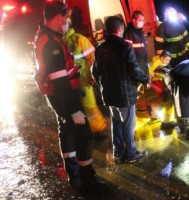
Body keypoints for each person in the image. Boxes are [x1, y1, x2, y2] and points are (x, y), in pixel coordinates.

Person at [34, 1, 108, 194]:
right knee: (83, 137)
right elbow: (60, 82)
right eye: (65, 17)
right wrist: (74, 109)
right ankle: (88, 182)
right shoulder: (51, 42)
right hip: (65, 98)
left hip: (61, 97)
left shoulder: (50, 37)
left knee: (67, 133)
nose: (67, 21)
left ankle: (75, 177)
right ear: (59, 16)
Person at [92, 16, 149, 163]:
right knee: (128, 124)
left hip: (109, 94)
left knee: (116, 122)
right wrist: (145, 78)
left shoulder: (100, 49)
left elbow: (95, 71)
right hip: (125, 95)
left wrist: (103, 85)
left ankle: (118, 151)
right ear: (120, 28)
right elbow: (134, 70)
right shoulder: (124, 47)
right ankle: (130, 153)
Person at [63, 17, 107, 134]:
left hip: (83, 79)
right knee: (77, 108)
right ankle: (84, 131)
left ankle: (98, 129)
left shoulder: (78, 39)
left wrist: (92, 76)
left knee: (90, 105)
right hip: (69, 82)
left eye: (64, 23)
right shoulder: (60, 42)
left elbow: (93, 57)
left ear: (69, 25)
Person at [123, 10, 148, 75]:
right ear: (133, 20)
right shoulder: (128, 33)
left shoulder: (141, 32)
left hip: (143, 64)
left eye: (142, 20)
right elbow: (128, 52)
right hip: (136, 66)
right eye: (140, 20)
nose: (142, 22)